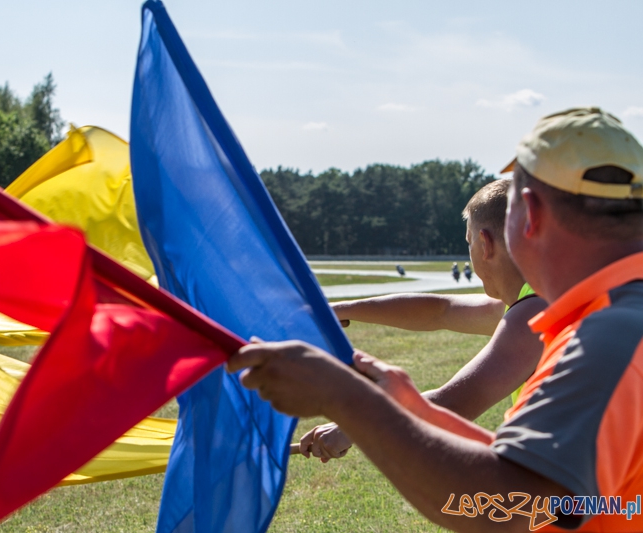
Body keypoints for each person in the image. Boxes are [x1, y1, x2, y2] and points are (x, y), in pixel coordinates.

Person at [229, 107, 643, 531]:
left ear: (530, 215)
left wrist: (349, 401)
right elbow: (557, 495)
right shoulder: (611, 314)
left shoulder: (607, 335)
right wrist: (403, 406)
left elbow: (506, 506)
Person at [303, 179, 546, 462]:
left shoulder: (533, 314)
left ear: (484, 244)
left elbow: (452, 403)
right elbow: (439, 310)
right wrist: (343, 309)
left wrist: (355, 425)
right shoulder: (533, 300)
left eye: (468, 242)